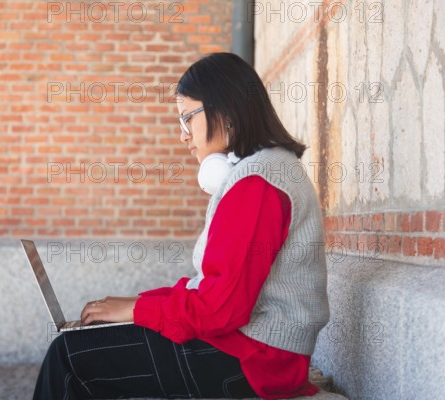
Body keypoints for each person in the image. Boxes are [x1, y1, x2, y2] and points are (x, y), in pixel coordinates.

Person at [33, 52, 330, 400]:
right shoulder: (265, 171)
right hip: (254, 350)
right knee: (89, 345)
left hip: (255, 361)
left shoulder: (257, 185)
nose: (183, 136)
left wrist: (136, 310)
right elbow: (211, 290)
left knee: (69, 356)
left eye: (188, 118)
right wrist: (136, 304)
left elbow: (220, 311)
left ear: (225, 110)